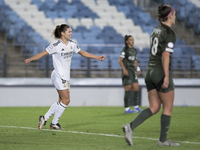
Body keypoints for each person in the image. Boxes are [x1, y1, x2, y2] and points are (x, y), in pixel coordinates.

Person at [24, 24, 105, 130]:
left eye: (71, 31)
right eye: (69, 31)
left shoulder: (72, 44)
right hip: (58, 75)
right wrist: (30, 59)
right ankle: (54, 123)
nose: (71, 33)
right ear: (62, 33)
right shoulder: (55, 45)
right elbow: (42, 53)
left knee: (61, 100)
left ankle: (44, 117)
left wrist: (97, 57)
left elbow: (83, 53)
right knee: (66, 100)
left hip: (65, 76)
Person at [122, 4, 180, 146]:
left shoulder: (155, 30)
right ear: (170, 16)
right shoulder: (170, 33)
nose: (176, 16)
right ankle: (162, 140)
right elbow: (165, 55)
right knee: (167, 107)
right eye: (174, 14)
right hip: (160, 72)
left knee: (154, 107)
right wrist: (166, 76)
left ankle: (130, 126)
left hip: (149, 72)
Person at [118, 35, 142, 113]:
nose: (132, 41)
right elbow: (120, 60)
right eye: (130, 40)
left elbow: (135, 60)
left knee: (136, 88)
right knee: (127, 89)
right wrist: (124, 69)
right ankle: (127, 108)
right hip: (127, 71)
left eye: (133, 39)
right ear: (126, 41)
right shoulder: (124, 50)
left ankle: (136, 107)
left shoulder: (134, 50)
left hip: (133, 71)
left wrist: (138, 68)